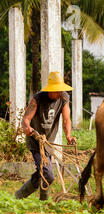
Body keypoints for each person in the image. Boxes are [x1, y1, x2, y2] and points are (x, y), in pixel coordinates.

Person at [15, 71, 77, 201]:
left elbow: (66, 119)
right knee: (48, 175)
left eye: (61, 90)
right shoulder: (37, 99)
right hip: (36, 140)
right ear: (50, 90)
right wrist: (27, 128)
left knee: (44, 172)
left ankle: (37, 200)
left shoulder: (64, 98)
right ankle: (21, 195)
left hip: (48, 142)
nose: (59, 93)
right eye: (57, 90)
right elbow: (26, 119)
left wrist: (69, 136)